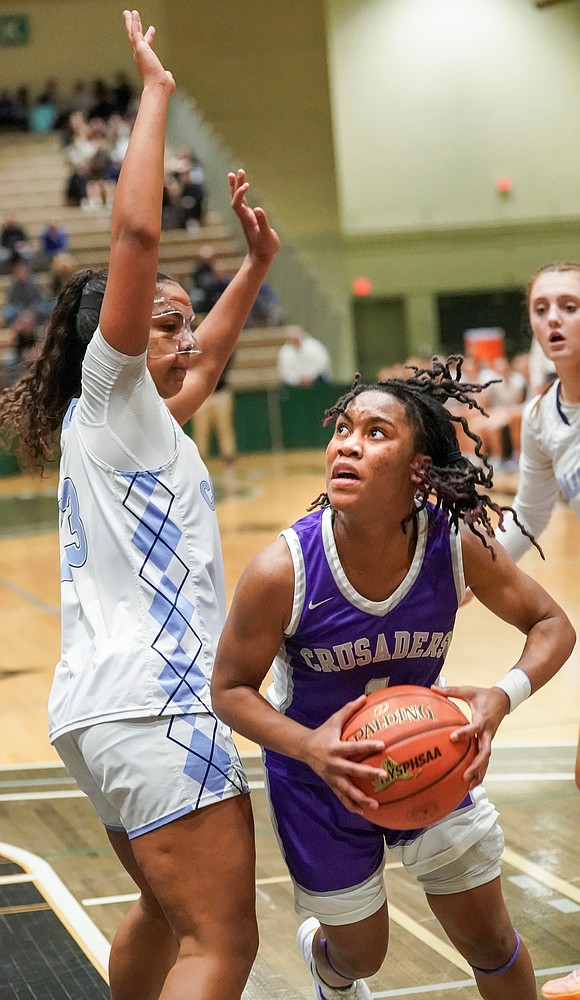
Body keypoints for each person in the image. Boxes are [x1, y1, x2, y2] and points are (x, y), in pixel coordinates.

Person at [0, 11, 279, 1000]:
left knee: (166, 921)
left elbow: (202, 361)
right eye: (163, 321)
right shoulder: (112, 394)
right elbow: (134, 230)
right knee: (222, 946)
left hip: (95, 715)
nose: (187, 334)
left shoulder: (129, 424)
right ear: (112, 342)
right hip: (158, 703)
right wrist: (155, 94)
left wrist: (252, 267)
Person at [211, 357, 575, 1000]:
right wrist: (311, 747)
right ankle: (330, 965)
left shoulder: (456, 545)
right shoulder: (283, 570)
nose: (347, 444)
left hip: (427, 753)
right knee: (363, 955)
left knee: (490, 940)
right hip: (318, 778)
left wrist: (499, 696)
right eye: (343, 429)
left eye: (375, 433)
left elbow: (552, 624)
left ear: (417, 470)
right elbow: (230, 689)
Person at [494, 261, 580, 1000]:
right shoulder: (548, 414)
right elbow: (527, 520)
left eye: (572, 306)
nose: (555, 320)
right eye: (542, 308)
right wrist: (458, 573)